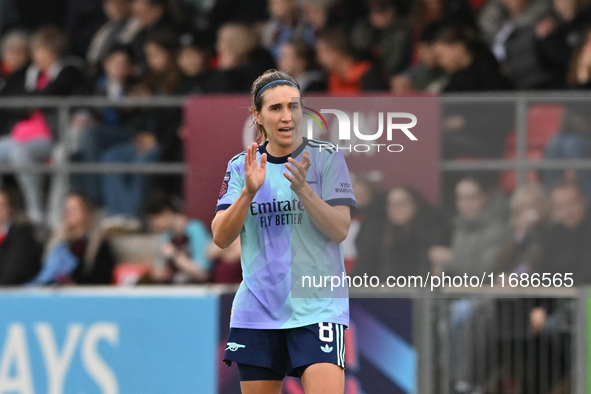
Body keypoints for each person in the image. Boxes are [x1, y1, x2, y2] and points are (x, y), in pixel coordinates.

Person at [212, 70, 356, 393]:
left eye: (293, 106)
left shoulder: (326, 157)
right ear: (258, 116)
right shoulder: (241, 167)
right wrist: (248, 192)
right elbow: (221, 237)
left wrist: (304, 191)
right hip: (258, 310)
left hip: (318, 307)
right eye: (275, 108)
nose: (287, 116)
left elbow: (340, 229)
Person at [29, 193, 116, 285]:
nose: (68, 213)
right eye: (66, 209)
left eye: (74, 209)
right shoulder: (56, 242)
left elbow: (101, 280)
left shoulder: (99, 245)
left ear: (86, 212)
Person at [144, 192, 211, 284]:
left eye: (153, 220)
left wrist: (174, 255)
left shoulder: (196, 230)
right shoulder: (165, 238)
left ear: (166, 213)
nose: (153, 225)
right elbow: (159, 270)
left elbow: (202, 273)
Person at [0, 187, 43, 285]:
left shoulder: (21, 235)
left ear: (10, 209)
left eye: (1, 206)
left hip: (13, 294)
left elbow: (13, 271)